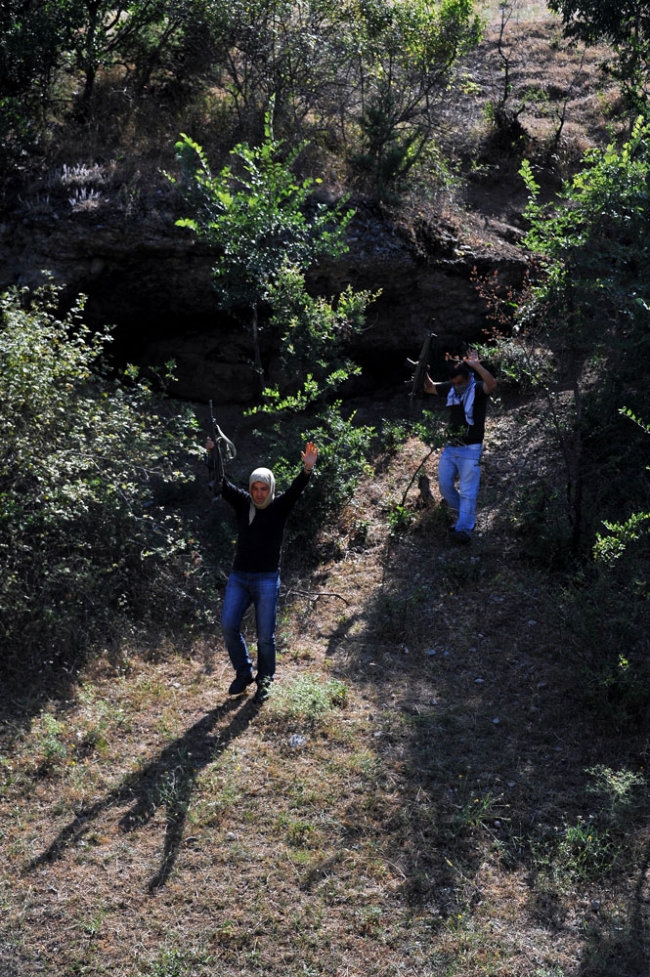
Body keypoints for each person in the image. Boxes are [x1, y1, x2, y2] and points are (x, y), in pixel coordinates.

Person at [206, 437, 319, 702]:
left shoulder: (279, 507)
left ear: (270, 489)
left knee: (266, 637)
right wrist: (213, 455)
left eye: (263, 488)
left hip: (267, 579)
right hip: (240, 577)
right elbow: (221, 484)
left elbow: (296, 489)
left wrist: (308, 469)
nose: (258, 493)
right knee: (228, 625)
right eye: (255, 488)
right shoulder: (243, 503)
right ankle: (244, 673)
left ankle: (264, 682)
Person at [424, 350, 497, 544]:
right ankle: (464, 518)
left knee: (468, 490)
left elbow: (492, 384)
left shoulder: (477, 389)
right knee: (445, 485)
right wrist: (423, 372)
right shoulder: (452, 389)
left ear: (467, 379)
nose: (456, 387)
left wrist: (476, 366)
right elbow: (430, 388)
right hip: (451, 447)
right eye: (454, 383)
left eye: (460, 383)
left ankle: (464, 528)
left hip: (471, 448)